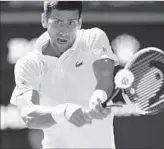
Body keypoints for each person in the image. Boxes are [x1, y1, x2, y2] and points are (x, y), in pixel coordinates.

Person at [10, 1, 119, 148]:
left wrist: (99, 96)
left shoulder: (93, 38)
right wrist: (64, 111)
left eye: (71, 22)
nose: (64, 31)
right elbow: (28, 114)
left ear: (80, 23)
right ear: (44, 20)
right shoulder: (29, 64)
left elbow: (105, 76)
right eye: (58, 22)